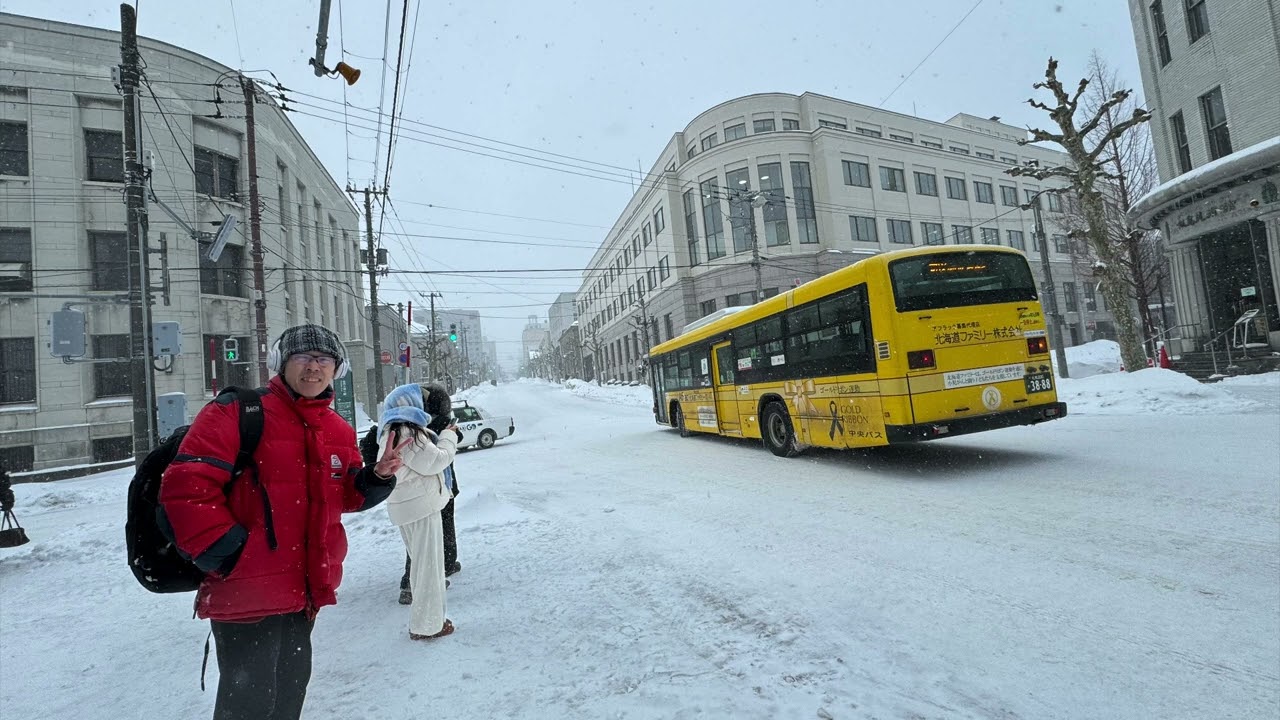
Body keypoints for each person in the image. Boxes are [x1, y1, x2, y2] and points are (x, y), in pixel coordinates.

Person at [159, 324, 407, 720]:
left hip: (304, 593)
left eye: (324, 359)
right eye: (303, 357)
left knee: (288, 699)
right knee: (249, 706)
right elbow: (185, 489)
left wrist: (376, 477)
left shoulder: (337, 429)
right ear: (280, 363)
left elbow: (345, 497)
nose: (314, 367)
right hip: (245, 596)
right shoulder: (238, 411)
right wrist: (230, 556)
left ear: (336, 369)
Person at [378, 383, 458, 639]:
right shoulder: (408, 432)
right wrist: (449, 436)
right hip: (421, 508)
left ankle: (429, 620)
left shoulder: (390, 430)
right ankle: (428, 625)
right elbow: (437, 460)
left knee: (421, 567)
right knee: (429, 569)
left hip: (407, 506)